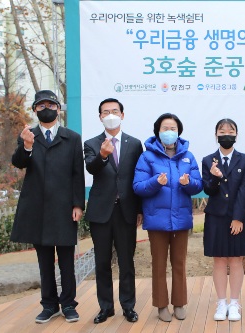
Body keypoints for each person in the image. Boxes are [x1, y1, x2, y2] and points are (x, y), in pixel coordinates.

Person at [10, 90, 85, 324]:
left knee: (66, 262)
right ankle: (49, 305)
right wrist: (27, 146)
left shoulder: (71, 137)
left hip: (64, 209)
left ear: (59, 109)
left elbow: (77, 174)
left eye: (50, 104)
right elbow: (18, 162)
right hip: (37, 210)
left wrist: (78, 204)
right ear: (34, 110)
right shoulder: (27, 135)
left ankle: (69, 304)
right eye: (40, 106)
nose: (46, 109)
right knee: (44, 263)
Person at [133, 113, 203, 322]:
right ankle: (161, 305)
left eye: (172, 128)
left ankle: (179, 303)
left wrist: (187, 183)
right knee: (159, 264)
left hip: (181, 219)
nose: (169, 132)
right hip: (157, 220)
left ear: (178, 131)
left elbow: (198, 185)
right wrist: (156, 182)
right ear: (158, 131)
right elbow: (138, 187)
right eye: (165, 128)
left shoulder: (188, 156)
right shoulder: (147, 157)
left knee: (180, 262)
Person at [84, 98, 143, 324]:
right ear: (100, 117)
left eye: (115, 111)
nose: (111, 115)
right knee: (102, 262)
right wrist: (103, 155)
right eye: (106, 112)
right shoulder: (91, 143)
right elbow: (92, 167)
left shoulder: (134, 143)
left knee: (127, 261)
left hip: (126, 211)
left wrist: (139, 209)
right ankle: (105, 307)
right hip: (101, 212)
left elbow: (138, 177)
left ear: (123, 115)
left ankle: (128, 306)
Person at [202, 119, 245, 322]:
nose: (226, 134)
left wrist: (239, 218)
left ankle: (234, 302)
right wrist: (214, 177)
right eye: (222, 131)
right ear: (216, 135)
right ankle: (221, 302)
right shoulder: (208, 160)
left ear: (236, 135)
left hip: (237, 217)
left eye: (230, 131)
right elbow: (208, 190)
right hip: (215, 217)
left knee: (236, 259)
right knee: (220, 260)